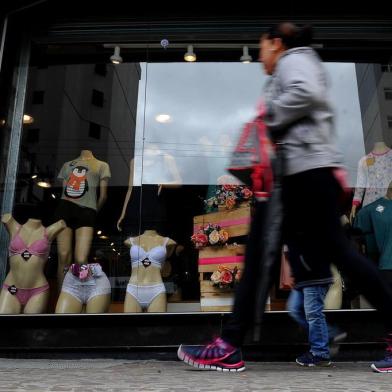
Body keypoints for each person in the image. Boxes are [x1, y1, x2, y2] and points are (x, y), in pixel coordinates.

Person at [178, 22, 392, 373]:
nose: (260, 54)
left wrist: (266, 118)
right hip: (295, 178)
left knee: (332, 256)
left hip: (303, 177)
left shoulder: (295, 59)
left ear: (276, 43)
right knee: (287, 256)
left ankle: (230, 345)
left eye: (261, 45)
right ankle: (230, 343)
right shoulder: (298, 62)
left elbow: (304, 93)